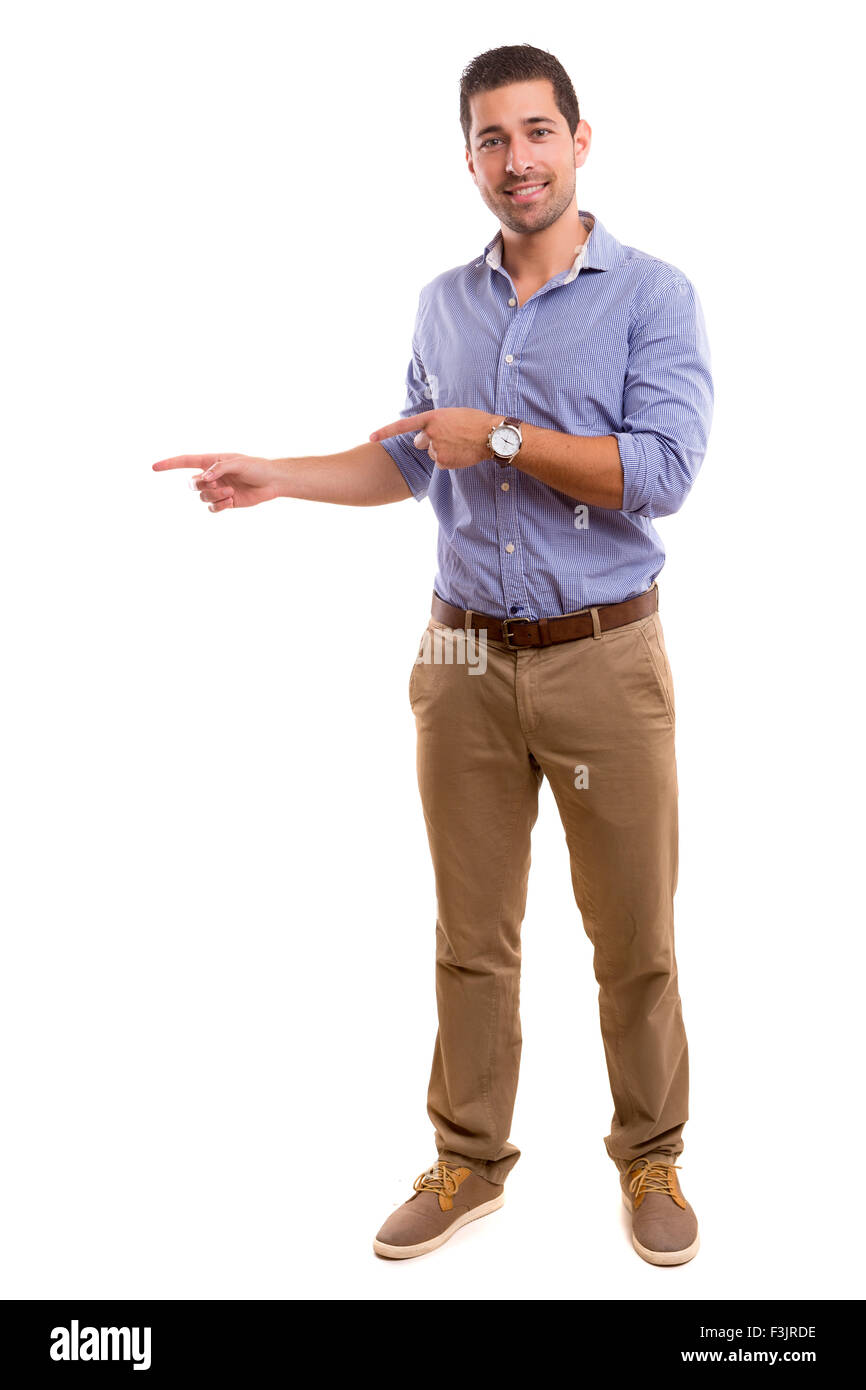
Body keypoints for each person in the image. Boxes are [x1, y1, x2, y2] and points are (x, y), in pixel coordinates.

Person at [153, 42, 713, 1268]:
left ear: (579, 139)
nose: (515, 160)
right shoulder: (441, 304)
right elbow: (413, 456)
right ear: (467, 156)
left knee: (632, 935)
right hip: (457, 656)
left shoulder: (652, 295)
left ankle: (650, 1152)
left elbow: (660, 474)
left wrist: (505, 436)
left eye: (534, 132)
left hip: (602, 660)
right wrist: (277, 478)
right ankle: (468, 1159)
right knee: (470, 932)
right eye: (490, 139)